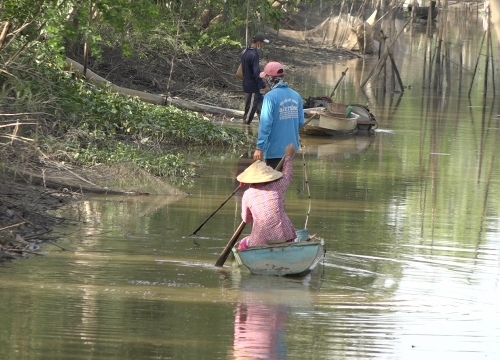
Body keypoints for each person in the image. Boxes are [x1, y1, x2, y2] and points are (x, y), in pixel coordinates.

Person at [236, 144, 296, 250]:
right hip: (283, 237)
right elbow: (287, 174)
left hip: (259, 241)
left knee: (243, 243)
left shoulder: (248, 194)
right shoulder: (278, 186)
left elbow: (246, 219)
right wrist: (288, 156)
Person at [253, 61, 304, 169]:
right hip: (291, 150)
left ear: (268, 78)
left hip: (274, 150)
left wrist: (259, 147)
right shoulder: (296, 96)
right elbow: (300, 123)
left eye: (265, 78)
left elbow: (265, 124)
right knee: (283, 183)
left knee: (273, 184)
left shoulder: (270, 97)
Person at [241, 34, 270, 125]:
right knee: (250, 108)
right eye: (262, 43)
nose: (263, 45)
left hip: (246, 83)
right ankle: (245, 127)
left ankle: (265, 123)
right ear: (258, 43)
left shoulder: (244, 52)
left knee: (260, 103)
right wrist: (264, 85)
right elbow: (256, 73)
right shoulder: (254, 54)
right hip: (252, 86)